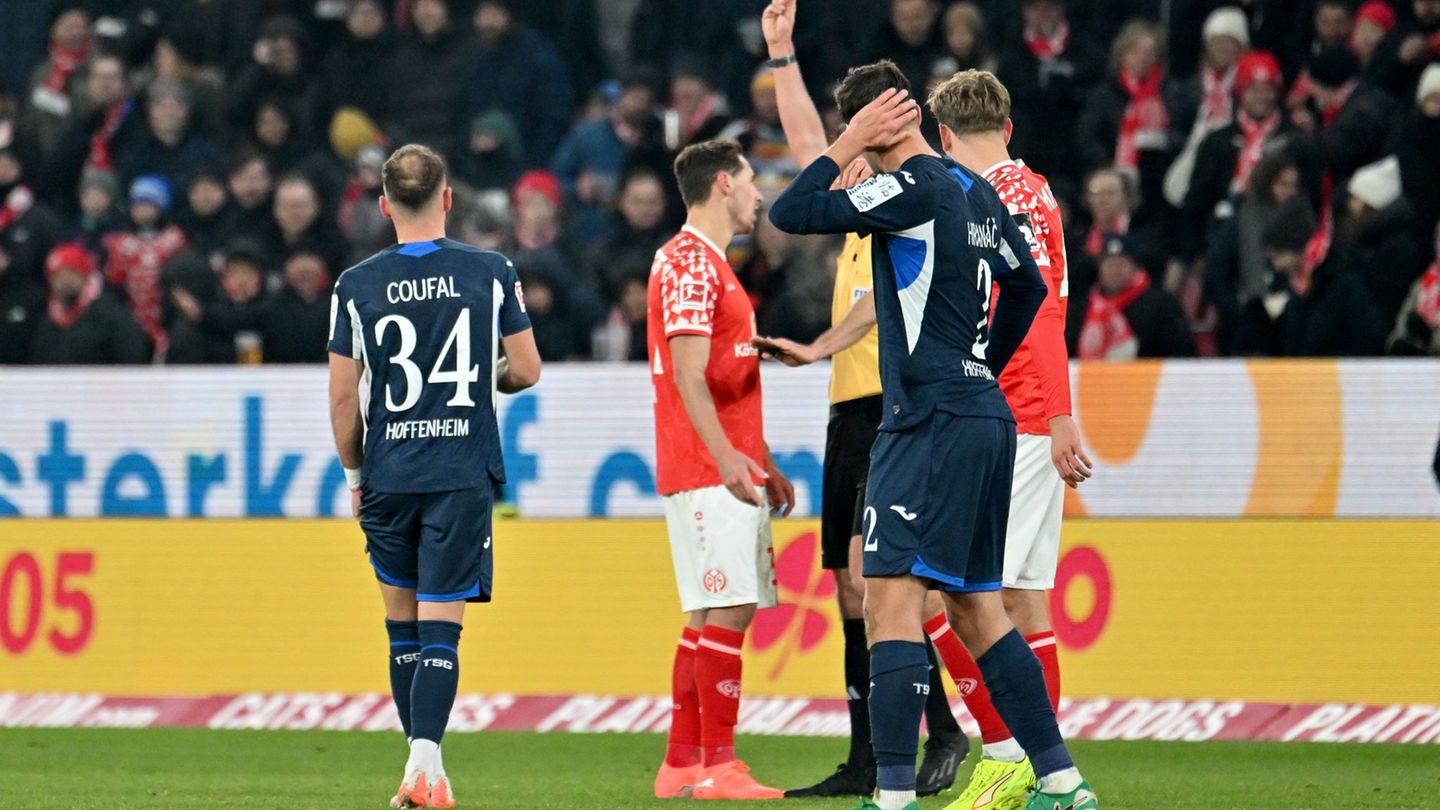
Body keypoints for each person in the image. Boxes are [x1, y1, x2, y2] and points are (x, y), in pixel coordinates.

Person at [769, 61, 1095, 810]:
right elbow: (1027, 286)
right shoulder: (976, 191)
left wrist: (846, 142)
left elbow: (792, 211)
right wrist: (983, 364)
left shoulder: (910, 188)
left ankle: (892, 796)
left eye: (858, 127)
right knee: (978, 608)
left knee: (888, 604)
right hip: (984, 415)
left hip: (925, 420)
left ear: (876, 123)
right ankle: (1061, 781)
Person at [755, 2, 969, 798]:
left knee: (882, 584)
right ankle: (866, 756)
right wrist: (782, 56)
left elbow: (883, 302)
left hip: (893, 402)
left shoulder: (902, 200)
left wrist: (820, 344)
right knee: (851, 588)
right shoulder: (858, 196)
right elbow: (809, 144)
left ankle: (941, 730)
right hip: (850, 408)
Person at [327, 144, 540, 809]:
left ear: (384, 205)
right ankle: (426, 766)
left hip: (389, 471)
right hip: (459, 470)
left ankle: (425, 771)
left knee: (402, 627)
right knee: (442, 625)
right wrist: (486, 379)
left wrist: (355, 474)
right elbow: (526, 369)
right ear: (448, 199)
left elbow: (343, 398)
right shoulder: (492, 270)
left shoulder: (354, 285)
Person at [914, 68, 1093, 808]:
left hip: (1014, 415)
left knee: (968, 595)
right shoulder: (1018, 191)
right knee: (1016, 600)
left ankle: (1014, 758)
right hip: (1009, 411)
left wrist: (1057, 414)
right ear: (1008, 127)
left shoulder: (1007, 196)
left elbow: (1041, 308)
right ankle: (1041, 770)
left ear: (944, 136)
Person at [647, 139, 794, 802]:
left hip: (720, 461)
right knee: (730, 608)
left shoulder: (705, 263)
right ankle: (720, 766)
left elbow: (724, 377)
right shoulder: (689, 261)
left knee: (709, 611)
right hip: (707, 467)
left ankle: (683, 762)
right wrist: (729, 458)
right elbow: (687, 373)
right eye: (752, 180)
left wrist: (762, 458)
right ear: (724, 185)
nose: (760, 195)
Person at [1074, 233, 1196, 359]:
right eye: (1109, 264)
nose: (1115, 270)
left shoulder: (1161, 305)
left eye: (1121, 264)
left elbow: (1181, 351)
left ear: (1135, 268)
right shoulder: (1084, 307)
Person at [31, 242, 150, 364]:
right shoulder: (49, 317)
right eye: (57, 276)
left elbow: (131, 354)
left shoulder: (109, 313)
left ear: (84, 275)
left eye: (70, 274)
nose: (64, 281)